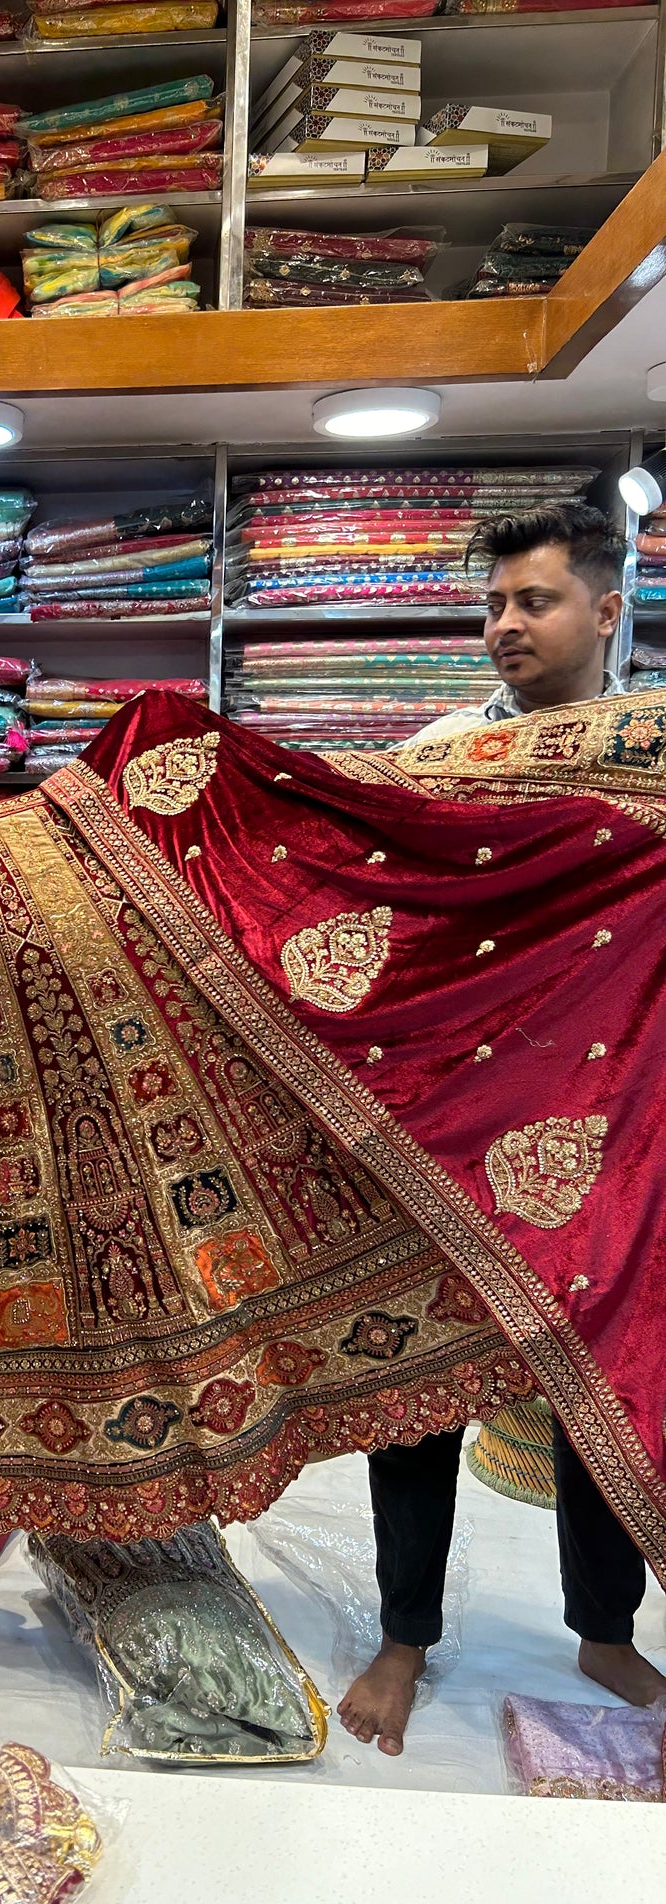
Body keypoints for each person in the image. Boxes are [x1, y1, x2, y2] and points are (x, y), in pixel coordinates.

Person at [337, 501, 665, 1757]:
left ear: (606, 610)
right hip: (454, 1126)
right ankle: (403, 1635)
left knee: (603, 1388)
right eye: (493, 605)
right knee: (412, 1384)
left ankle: (600, 1625)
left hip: (618, 1122)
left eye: (533, 601)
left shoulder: (653, 751)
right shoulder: (434, 760)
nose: (504, 626)